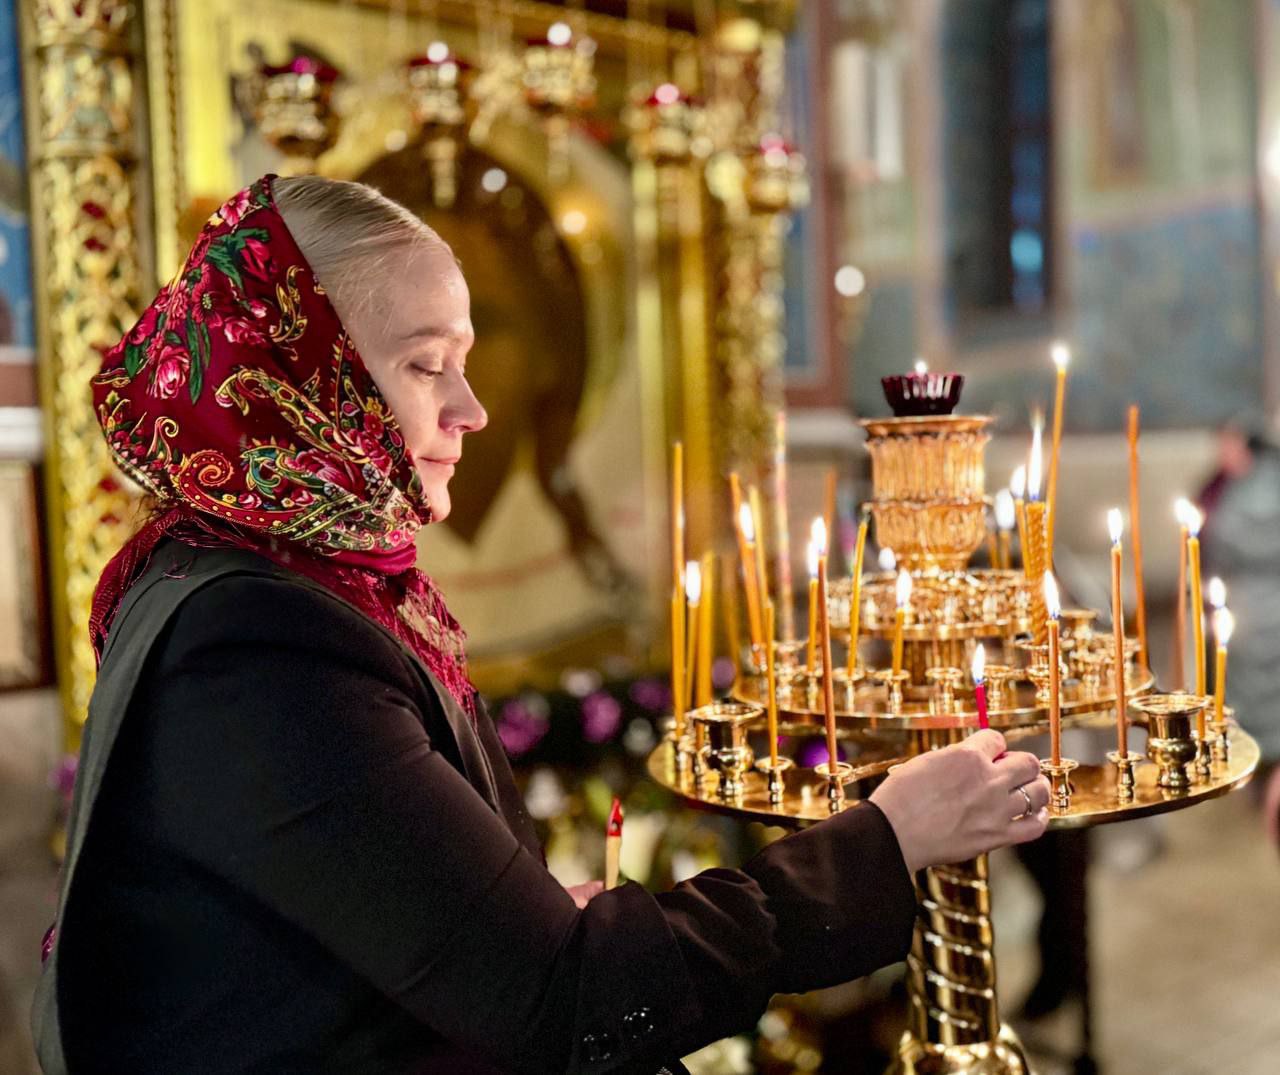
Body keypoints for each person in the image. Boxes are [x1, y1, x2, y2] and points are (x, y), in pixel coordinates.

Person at [31, 175, 1051, 1074]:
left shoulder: (281, 577)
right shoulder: (259, 639)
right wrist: (884, 838)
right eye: (426, 364)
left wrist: (510, 911)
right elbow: (557, 1000)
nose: (469, 408)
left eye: (468, 359)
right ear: (300, 373)